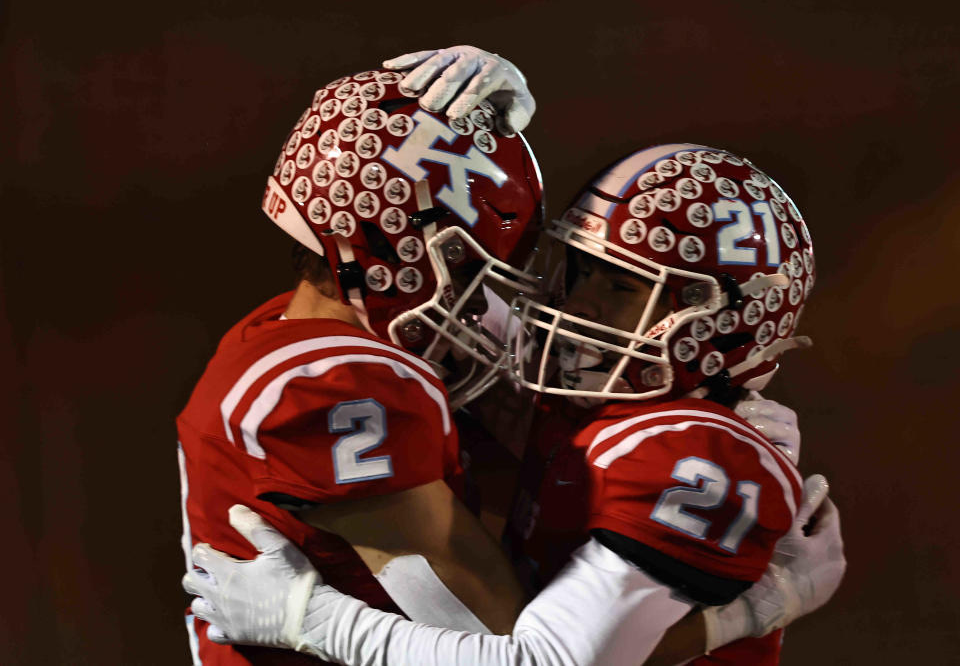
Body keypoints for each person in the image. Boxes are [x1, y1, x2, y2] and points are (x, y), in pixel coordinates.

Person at [182, 143, 846, 665]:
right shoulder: (588, 384)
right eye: (580, 269)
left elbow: (544, 663)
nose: (575, 305)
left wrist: (311, 619)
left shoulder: (704, 454)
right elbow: (407, 261)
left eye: (618, 286)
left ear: (714, 325)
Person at [177, 46, 549, 665]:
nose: (488, 301)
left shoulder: (292, 330)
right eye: (474, 266)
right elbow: (512, 649)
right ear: (402, 261)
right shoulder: (336, 383)